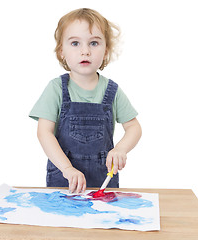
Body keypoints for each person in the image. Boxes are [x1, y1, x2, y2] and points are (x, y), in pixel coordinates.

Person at [29, 8, 142, 194]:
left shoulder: (112, 91)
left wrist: (120, 149)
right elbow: (44, 133)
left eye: (94, 43)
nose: (85, 51)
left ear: (106, 51)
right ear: (61, 52)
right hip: (64, 182)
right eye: (75, 43)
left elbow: (134, 127)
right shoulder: (56, 88)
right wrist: (67, 169)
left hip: (103, 183)